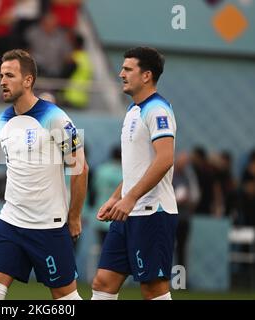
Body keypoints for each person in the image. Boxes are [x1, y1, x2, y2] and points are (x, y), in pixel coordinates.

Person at [0, 49, 88, 300]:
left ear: (28, 81)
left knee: (66, 298)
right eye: (1, 75)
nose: (2, 81)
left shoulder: (55, 117)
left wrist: (74, 217)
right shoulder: (3, 119)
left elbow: (81, 167)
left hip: (48, 225)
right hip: (11, 220)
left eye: (9, 75)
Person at [92, 47, 178, 300]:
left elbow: (165, 160)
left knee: (152, 289)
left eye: (128, 69)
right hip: (128, 212)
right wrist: (118, 197)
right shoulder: (132, 111)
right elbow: (136, 168)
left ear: (146, 76)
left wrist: (130, 199)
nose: (121, 74)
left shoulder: (158, 110)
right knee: (103, 281)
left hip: (153, 213)